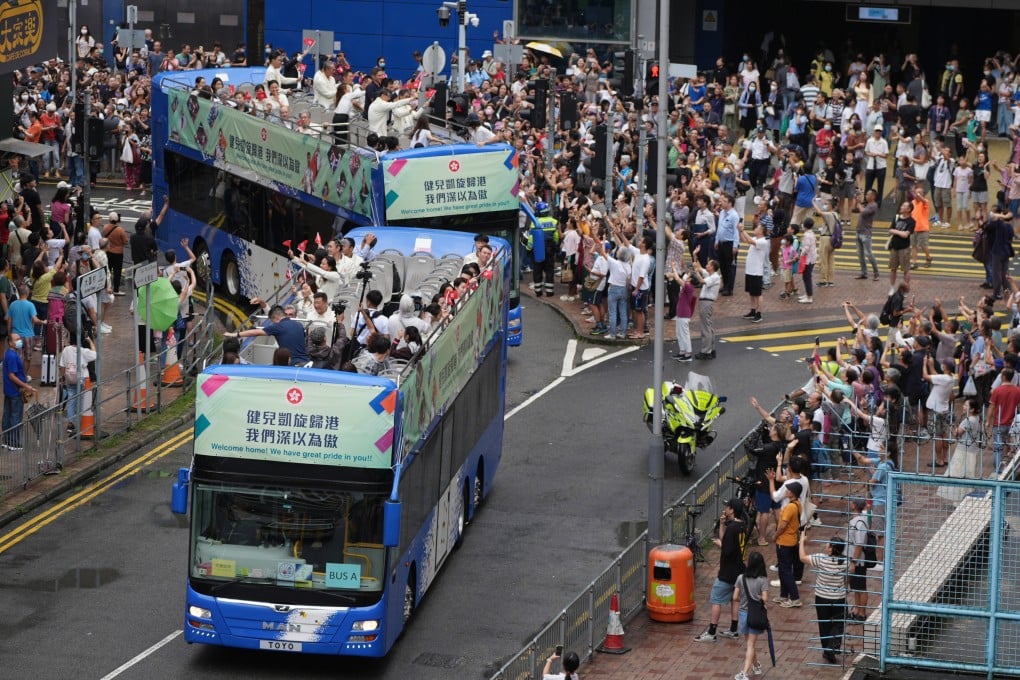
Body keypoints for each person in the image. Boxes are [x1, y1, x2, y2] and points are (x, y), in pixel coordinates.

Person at [694, 498, 746, 642]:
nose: (726, 509)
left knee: (716, 599)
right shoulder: (742, 526)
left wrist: (719, 544)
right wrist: (722, 525)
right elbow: (729, 541)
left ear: (732, 509)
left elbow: (727, 549)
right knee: (734, 599)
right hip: (740, 570)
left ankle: (711, 632)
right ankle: (734, 630)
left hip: (727, 572)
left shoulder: (732, 528)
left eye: (727, 507)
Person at [799, 531, 848, 663]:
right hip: (839, 598)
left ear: (832, 549)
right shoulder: (845, 562)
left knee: (824, 624)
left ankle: (827, 649)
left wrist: (801, 543)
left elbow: (802, 558)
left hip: (822, 597)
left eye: (829, 544)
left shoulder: (821, 559)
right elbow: (850, 573)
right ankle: (832, 647)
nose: (826, 545)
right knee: (838, 624)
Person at [225, 305, 309, 366]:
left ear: (275, 318)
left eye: (271, 321)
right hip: (306, 361)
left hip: (292, 364)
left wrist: (236, 334)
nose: (272, 323)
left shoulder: (277, 327)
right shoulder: (299, 325)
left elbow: (255, 332)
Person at [732, 551, 769, 680]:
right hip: (756, 615)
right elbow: (765, 598)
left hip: (743, 614)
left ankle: (755, 666)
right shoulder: (763, 580)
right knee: (750, 645)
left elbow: (735, 597)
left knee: (749, 643)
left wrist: (743, 600)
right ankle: (745, 673)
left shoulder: (740, 578)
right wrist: (757, 599)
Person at [59, 335, 97, 436]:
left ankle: (71, 423)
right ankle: (82, 421)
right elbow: (95, 354)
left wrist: (63, 378)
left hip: (70, 378)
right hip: (82, 378)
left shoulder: (66, 350)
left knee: (71, 399)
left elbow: (62, 365)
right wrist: (90, 341)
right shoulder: (83, 351)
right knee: (83, 399)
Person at [3, 332, 35, 450]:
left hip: (9, 390)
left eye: (19, 338)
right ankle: (14, 443)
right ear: (10, 343)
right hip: (15, 391)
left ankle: (6, 440)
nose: (19, 341)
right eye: (17, 339)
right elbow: (12, 376)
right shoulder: (12, 356)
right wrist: (26, 386)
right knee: (15, 417)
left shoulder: (9, 354)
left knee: (8, 415)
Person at [774, 480, 803, 607]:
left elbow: (783, 525)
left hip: (784, 542)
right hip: (791, 541)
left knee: (785, 571)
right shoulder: (797, 504)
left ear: (793, 493)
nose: (786, 491)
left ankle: (795, 598)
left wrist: (775, 535)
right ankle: (783, 595)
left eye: (788, 489)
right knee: (784, 569)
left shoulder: (790, 507)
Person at [987, 368, 1020, 474]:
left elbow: (991, 407)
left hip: (999, 423)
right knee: (1013, 446)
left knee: (998, 447)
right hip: (1012, 423)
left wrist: (988, 420)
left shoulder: (997, 390)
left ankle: (998, 470)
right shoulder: (1017, 390)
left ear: (1003, 377)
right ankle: (1010, 469)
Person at [691, 247, 720, 360]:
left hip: (707, 303)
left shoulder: (714, 277)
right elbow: (698, 267)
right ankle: (711, 349)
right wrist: (694, 254)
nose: (706, 266)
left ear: (712, 267)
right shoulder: (710, 275)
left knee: (705, 327)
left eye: (708, 264)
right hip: (705, 302)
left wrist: (697, 274)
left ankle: (706, 351)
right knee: (708, 326)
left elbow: (702, 281)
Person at [846, 497, 871, 623]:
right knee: (856, 587)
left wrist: (853, 562)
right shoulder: (857, 520)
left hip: (858, 561)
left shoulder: (859, 523)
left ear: (854, 505)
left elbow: (859, 544)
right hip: (854, 560)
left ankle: (862, 613)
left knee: (861, 587)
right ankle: (856, 610)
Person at [738, 222, 768, 323]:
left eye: (758, 227)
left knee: (758, 293)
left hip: (756, 272)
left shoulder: (763, 241)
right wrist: (740, 231)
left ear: (761, 231)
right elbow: (745, 240)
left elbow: (749, 240)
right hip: (750, 270)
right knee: (751, 293)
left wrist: (742, 230)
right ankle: (752, 311)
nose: (755, 228)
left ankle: (759, 314)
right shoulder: (756, 239)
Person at [887, 201, 915, 286]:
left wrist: (896, 231)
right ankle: (892, 287)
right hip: (894, 247)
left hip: (904, 248)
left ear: (909, 209)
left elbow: (906, 235)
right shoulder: (896, 217)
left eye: (904, 206)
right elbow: (890, 230)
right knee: (893, 268)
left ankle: (905, 288)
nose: (901, 207)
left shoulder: (911, 221)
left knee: (906, 270)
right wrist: (900, 232)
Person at [855, 189, 880, 280]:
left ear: (873, 196)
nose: (866, 196)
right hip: (859, 231)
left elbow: (863, 212)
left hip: (866, 233)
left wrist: (858, 203)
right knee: (860, 254)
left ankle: (876, 272)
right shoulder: (867, 204)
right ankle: (863, 272)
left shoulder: (873, 205)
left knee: (868, 254)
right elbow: (855, 210)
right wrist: (857, 201)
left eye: (868, 194)